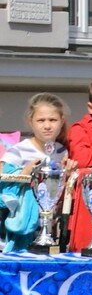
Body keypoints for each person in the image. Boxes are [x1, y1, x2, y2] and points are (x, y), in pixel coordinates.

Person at [2, 93, 75, 251]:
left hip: (51, 224)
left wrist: (67, 174)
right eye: (41, 120)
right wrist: (24, 172)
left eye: (53, 120)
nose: (47, 126)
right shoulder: (19, 150)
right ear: (31, 122)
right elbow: (3, 180)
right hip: (21, 227)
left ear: (62, 121)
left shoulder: (62, 151)